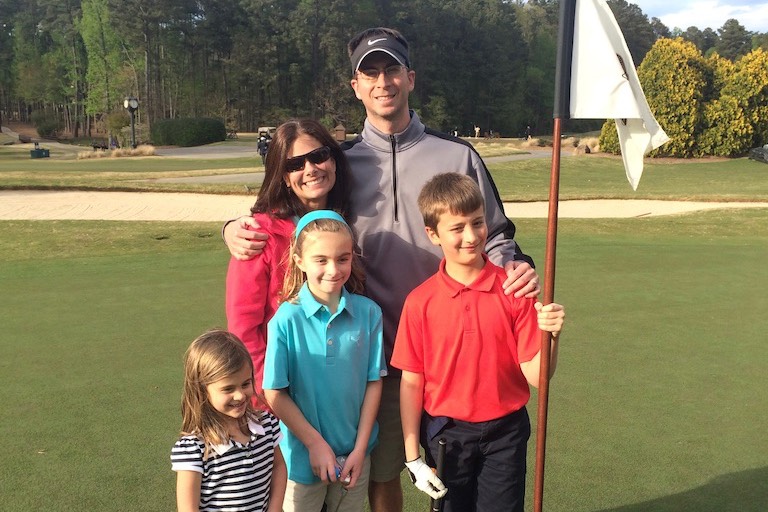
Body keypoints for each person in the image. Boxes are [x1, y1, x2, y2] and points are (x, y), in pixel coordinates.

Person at [223, 27, 540, 512]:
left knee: (463, 483)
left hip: (459, 349)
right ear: (355, 86)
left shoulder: (457, 155)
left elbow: (494, 233)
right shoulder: (340, 162)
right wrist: (232, 226)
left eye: (392, 69)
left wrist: (514, 267)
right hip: (378, 356)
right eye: (370, 72)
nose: (382, 81)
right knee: (380, 477)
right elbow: (292, 216)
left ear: (410, 77)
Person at [390, 173, 565, 512]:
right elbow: (412, 383)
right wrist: (412, 458)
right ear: (433, 234)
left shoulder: (515, 290)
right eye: (457, 228)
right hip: (447, 435)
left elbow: (537, 376)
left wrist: (552, 337)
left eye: (478, 223)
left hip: (506, 433)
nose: (471, 236)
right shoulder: (419, 302)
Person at [263, 210, 386, 512]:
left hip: (356, 458)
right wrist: (315, 444)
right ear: (299, 260)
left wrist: (359, 449)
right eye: (321, 260)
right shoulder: (285, 320)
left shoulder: (369, 313)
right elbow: (275, 393)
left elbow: (373, 382)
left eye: (343, 258)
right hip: (303, 460)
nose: (333, 269)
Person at [226, 119, 352, 397]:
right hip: (283, 392)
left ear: (333, 159)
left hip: (340, 388)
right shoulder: (259, 234)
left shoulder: (350, 219)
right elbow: (243, 327)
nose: (311, 169)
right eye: (295, 164)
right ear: (283, 177)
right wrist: (265, 397)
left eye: (319, 156)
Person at [171, 329, 287, 512]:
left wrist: (275, 508)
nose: (240, 395)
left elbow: (278, 467)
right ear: (202, 390)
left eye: (246, 384)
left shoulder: (267, 424)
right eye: (228, 389)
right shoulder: (195, 449)